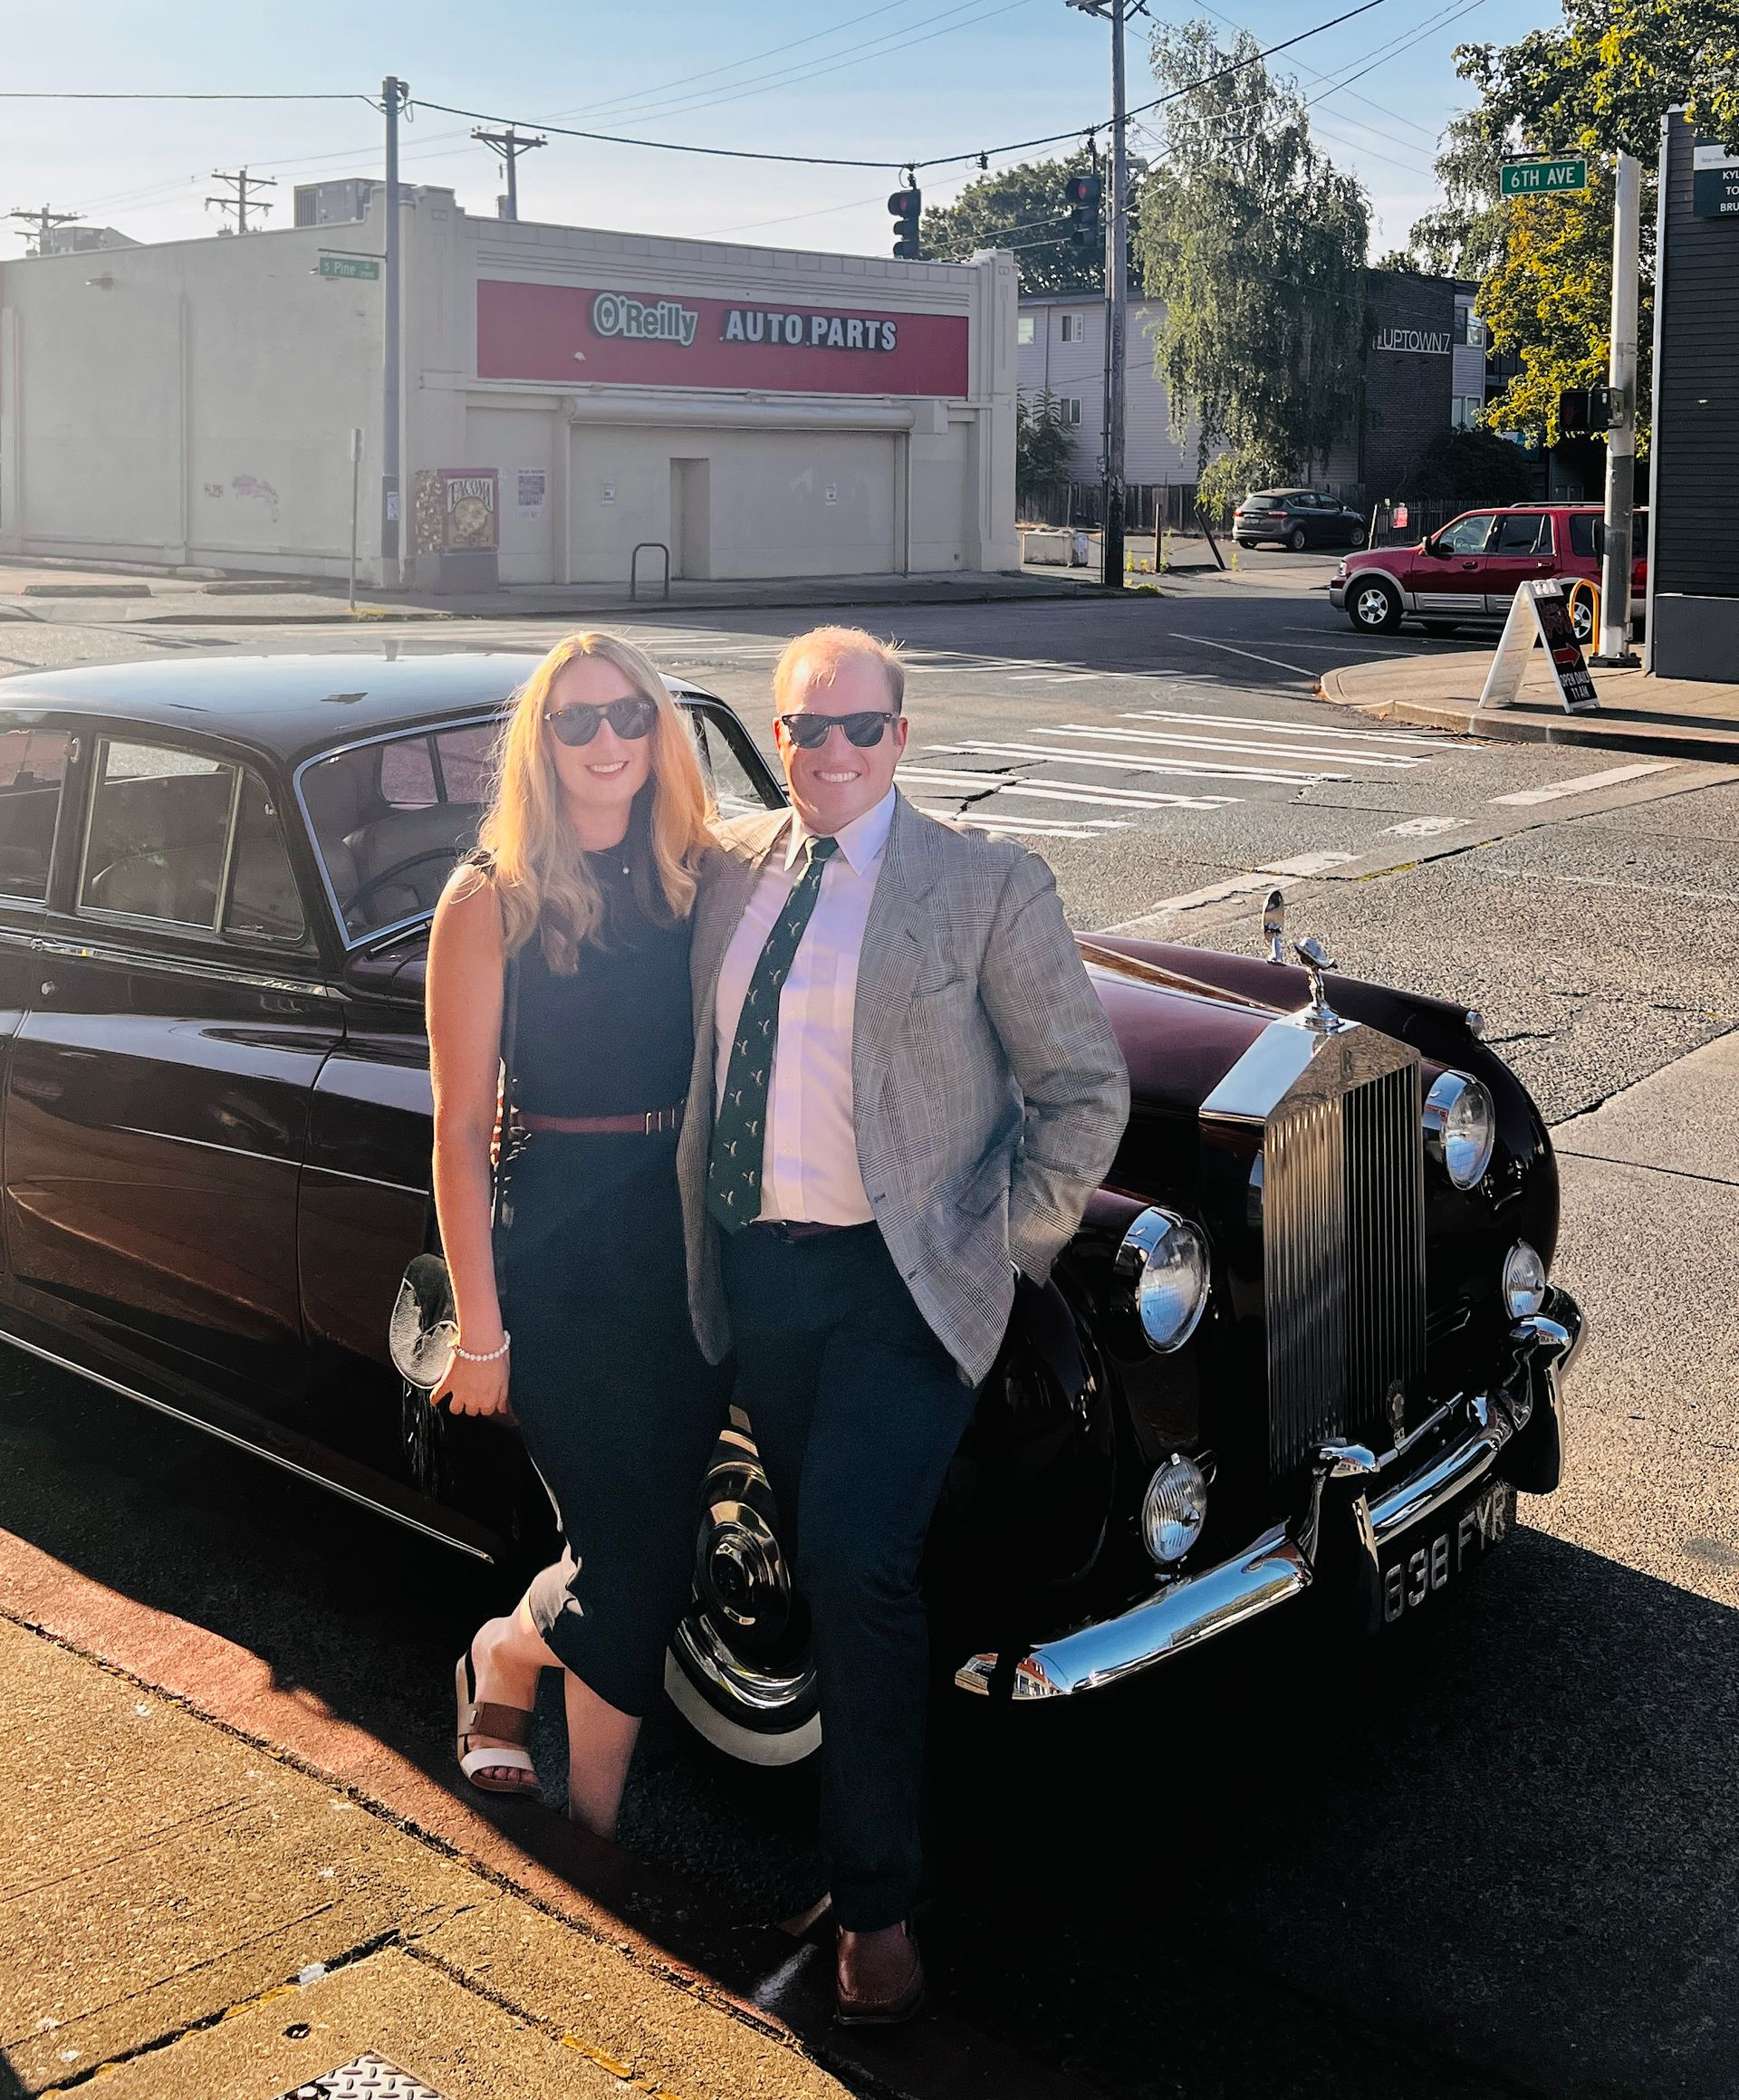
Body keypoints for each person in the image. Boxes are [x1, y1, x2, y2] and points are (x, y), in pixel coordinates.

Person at [677, 625, 1129, 2023]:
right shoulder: (733, 872)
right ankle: (900, 1778)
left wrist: (998, 1250)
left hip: (902, 1282)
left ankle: (878, 1908)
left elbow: (1085, 1088)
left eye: (856, 729)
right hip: (763, 1280)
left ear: (902, 738)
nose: (827, 755)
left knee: (858, 1561)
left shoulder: (983, 884)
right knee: (847, 1561)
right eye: (803, 731)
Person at [427, 630, 722, 1836]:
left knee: (643, 1546)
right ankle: (596, 1834)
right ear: (540, 745)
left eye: (630, 717)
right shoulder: (490, 896)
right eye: (578, 721)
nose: (608, 741)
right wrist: (482, 1330)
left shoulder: (694, 872)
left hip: (683, 1247)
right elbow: (455, 1136)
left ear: (660, 734)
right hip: (556, 1250)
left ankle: (505, 1656)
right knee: (630, 1548)